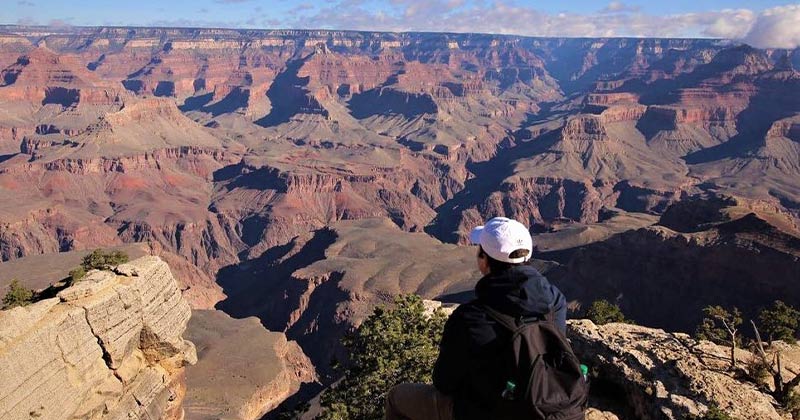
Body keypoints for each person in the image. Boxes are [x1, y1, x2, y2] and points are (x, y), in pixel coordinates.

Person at [385, 217, 568, 420]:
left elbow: (443, 382)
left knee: (396, 397)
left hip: (487, 411)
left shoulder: (470, 317)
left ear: (484, 260)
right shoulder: (556, 302)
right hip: (545, 404)